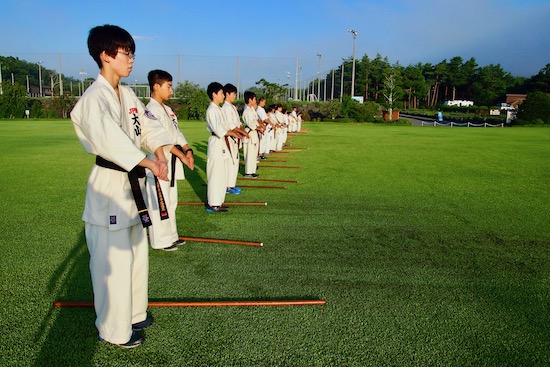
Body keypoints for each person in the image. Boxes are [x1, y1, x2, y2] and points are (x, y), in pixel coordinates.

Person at [71, 25, 173, 348]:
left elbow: (146, 128)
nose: (131, 59)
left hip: (133, 188)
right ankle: (114, 330)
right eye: (125, 52)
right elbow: (111, 141)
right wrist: (147, 162)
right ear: (105, 55)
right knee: (111, 263)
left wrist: (157, 150)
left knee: (136, 253)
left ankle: (134, 312)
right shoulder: (92, 99)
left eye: (132, 53)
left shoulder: (126, 95)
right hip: (110, 187)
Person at [145, 69, 194, 251]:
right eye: (169, 86)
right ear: (156, 87)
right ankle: (160, 241)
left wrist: (188, 150)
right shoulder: (150, 110)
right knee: (160, 203)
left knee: (171, 202)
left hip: (172, 162)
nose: (171, 90)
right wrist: (182, 155)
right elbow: (162, 139)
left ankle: (172, 235)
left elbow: (176, 134)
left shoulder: (167, 110)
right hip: (159, 162)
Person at [205, 82, 245, 212]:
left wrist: (234, 132)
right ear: (214, 94)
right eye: (221, 93)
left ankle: (219, 201)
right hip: (216, 142)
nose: (223, 96)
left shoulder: (219, 109)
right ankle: (213, 203)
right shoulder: (212, 110)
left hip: (222, 142)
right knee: (215, 175)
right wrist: (233, 133)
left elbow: (224, 127)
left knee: (222, 174)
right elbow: (219, 129)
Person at [221, 83, 247, 195]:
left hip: (236, 136)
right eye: (233, 94)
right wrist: (242, 132)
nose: (234, 96)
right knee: (231, 162)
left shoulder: (232, 107)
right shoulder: (226, 108)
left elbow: (238, 122)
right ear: (227, 94)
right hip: (230, 136)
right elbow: (231, 125)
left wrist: (242, 130)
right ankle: (227, 186)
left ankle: (231, 184)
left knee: (235, 161)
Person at [242, 91, 261, 178]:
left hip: (253, 133)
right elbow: (252, 124)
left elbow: (256, 121)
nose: (255, 101)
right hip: (249, 133)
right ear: (250, 99)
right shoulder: (247, 111)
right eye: (254, 99)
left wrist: (259, 127)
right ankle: (248, 172)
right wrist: (259, 128)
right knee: (249, 154)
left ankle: (252, 171)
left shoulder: (251, 110)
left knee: (253, 153)